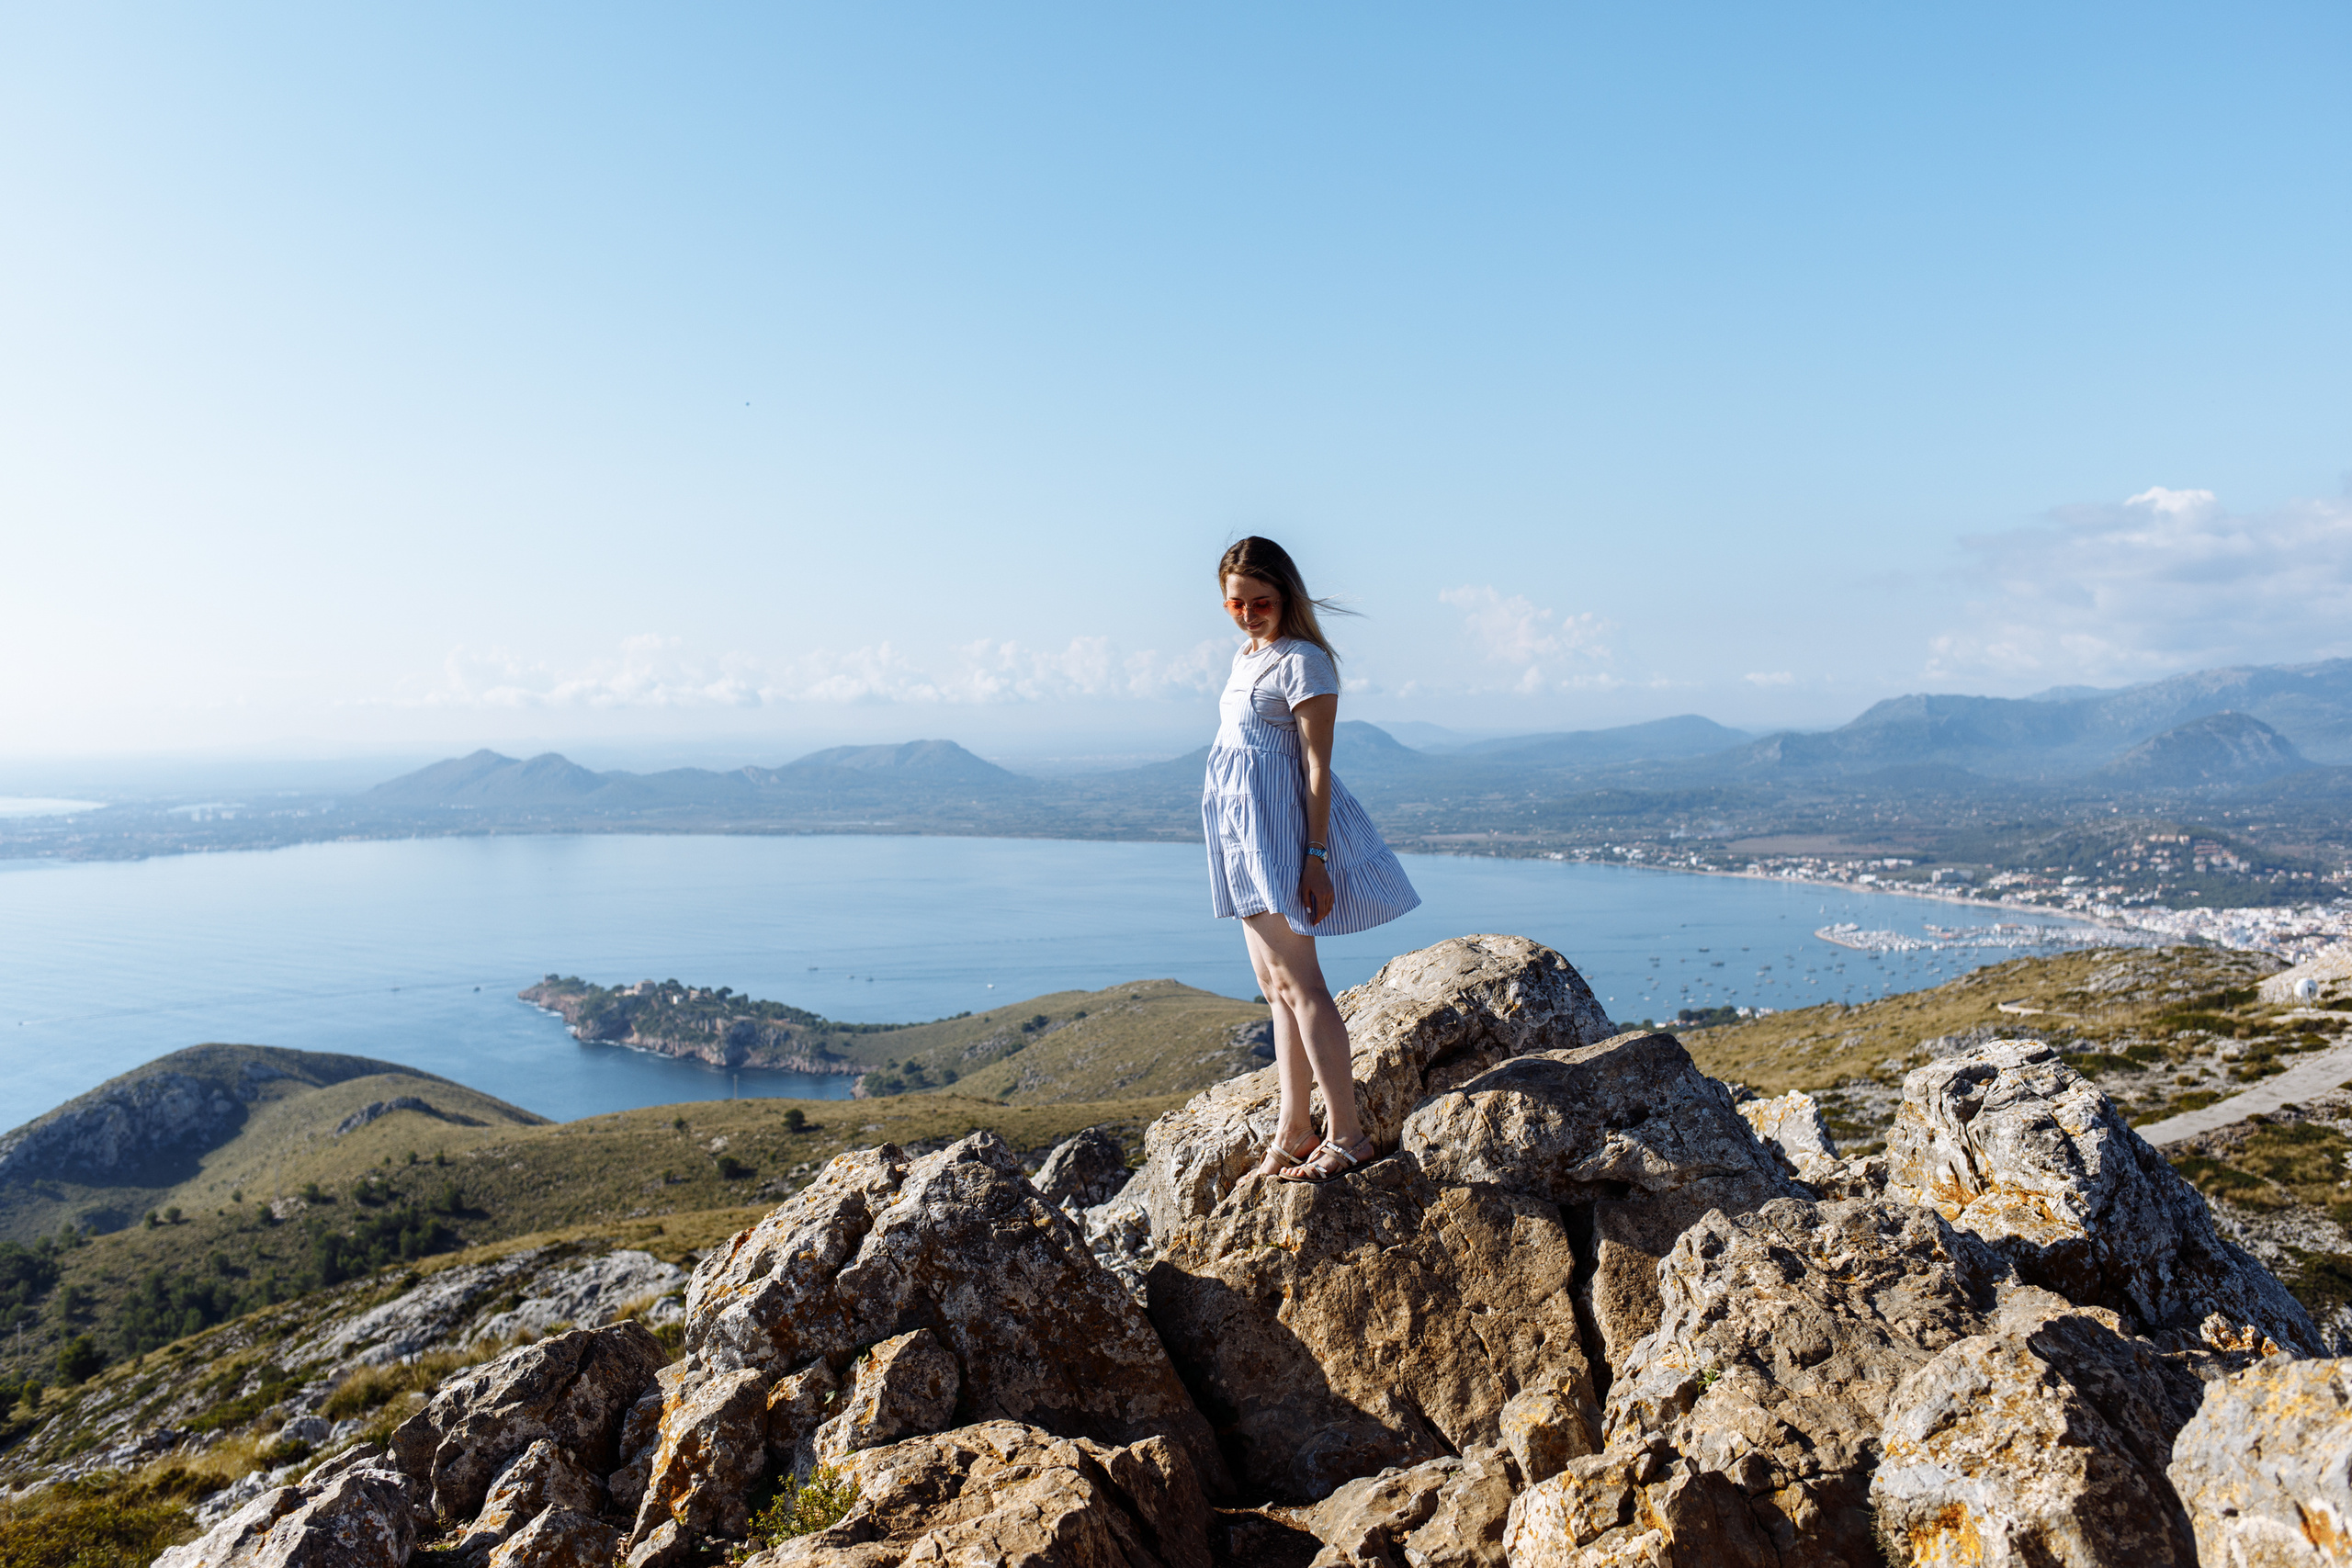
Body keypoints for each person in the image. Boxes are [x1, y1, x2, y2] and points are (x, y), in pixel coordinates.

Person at [1204, 536, 1420, 1184]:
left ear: (1287, 595)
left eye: (1259, 601)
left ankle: (1347, 1133)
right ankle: (1294, 1128)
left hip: (1278, 836)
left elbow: (1317, 766)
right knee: (1275, 990)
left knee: (1304, 985)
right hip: (1241, 834)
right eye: (1234, 603)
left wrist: (1316, 856)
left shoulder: (1303, 662)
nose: (1247, 614)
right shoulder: (1247, 658)